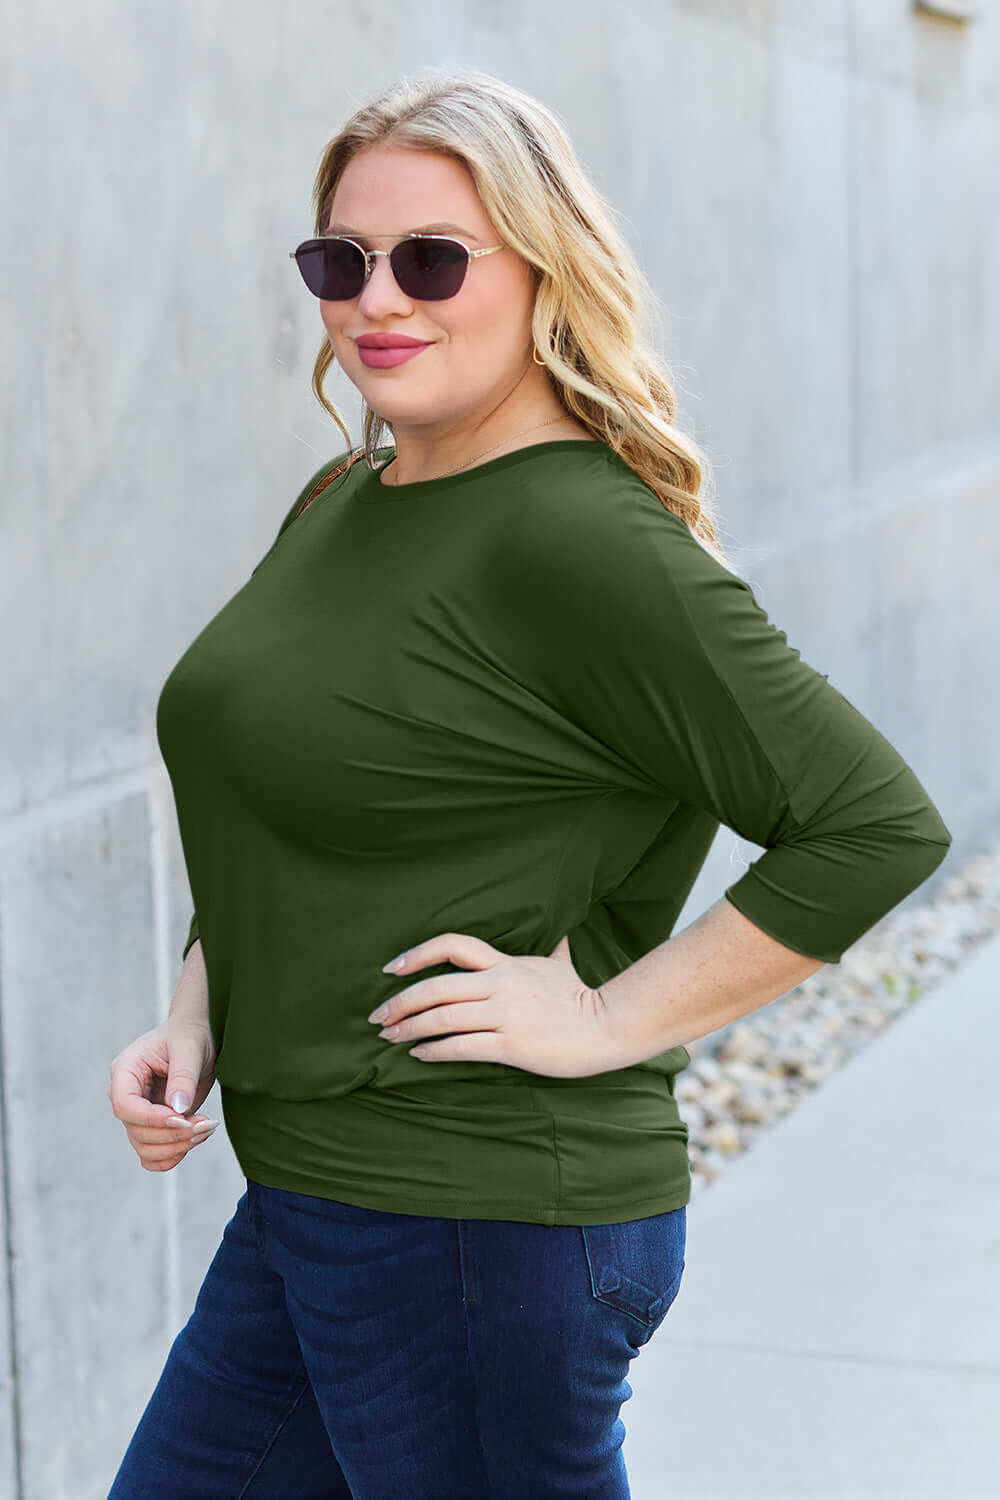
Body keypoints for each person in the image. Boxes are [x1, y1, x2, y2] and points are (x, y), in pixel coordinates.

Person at [107, 66, 951, 1500]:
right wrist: (201, 1002)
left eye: (433, 258)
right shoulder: (345, 500)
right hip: (320, 1190)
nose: (380, 300)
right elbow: (297, 791)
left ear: (545, 271)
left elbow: (874, 824)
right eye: (341, 261)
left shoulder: (580, 539)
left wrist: (610, 1016)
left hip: (477, 1222)